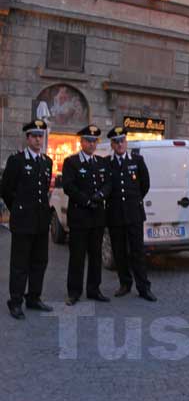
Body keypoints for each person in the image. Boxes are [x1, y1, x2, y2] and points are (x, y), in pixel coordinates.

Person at [1, 120, 53, 319]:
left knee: (40, 262)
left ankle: (34, 297)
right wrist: (18, 208)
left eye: (41, 136)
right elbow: (5, 189)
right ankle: (15, 301)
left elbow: (44, 190)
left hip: (41, 222)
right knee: (20, 264)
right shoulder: (17, 161)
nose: (38, 140)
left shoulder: (46, 162)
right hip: (23, 221)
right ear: (27, 138)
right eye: (34, 136)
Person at [105, 126, 156, 301]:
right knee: (119, 252)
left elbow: (145, 184)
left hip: (134, 215)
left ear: (126, 142)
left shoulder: (137, 160)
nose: (119, 144)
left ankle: (143, 287)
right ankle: (125, 283)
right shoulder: (107, 163)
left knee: (137, 252)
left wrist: (135, 201)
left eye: (122, 141)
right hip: (115, 215)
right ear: (112, 145)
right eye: (116, 142)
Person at [62, 125, 111, 305]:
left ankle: (94, 289)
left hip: (97, 217)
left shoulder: (101, 162)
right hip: (79, 217)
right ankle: (74, 292)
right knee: (77, 256)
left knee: (96, 256)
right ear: (81, 141)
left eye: (94, 141)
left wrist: (100, 196)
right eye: (88, 140)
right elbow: (68, 186)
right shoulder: (71, 162)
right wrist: (86, 200)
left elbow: (108, 184)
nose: (91, 144)